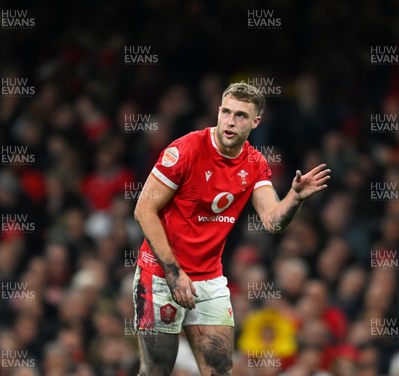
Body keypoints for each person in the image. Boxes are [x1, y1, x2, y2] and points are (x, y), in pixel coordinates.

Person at [133, 82, 331, 375]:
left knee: (220, 368)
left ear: (255, 121)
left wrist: (295, 198)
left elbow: (273, 221)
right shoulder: (184, 150)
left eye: (240, 115)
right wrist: (174, 273)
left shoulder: (254, 163)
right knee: (158, 368)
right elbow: (143, 210)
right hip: (161, 273)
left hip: (208, 278)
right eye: (226, 112)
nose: (230, 121)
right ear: (218, 111)